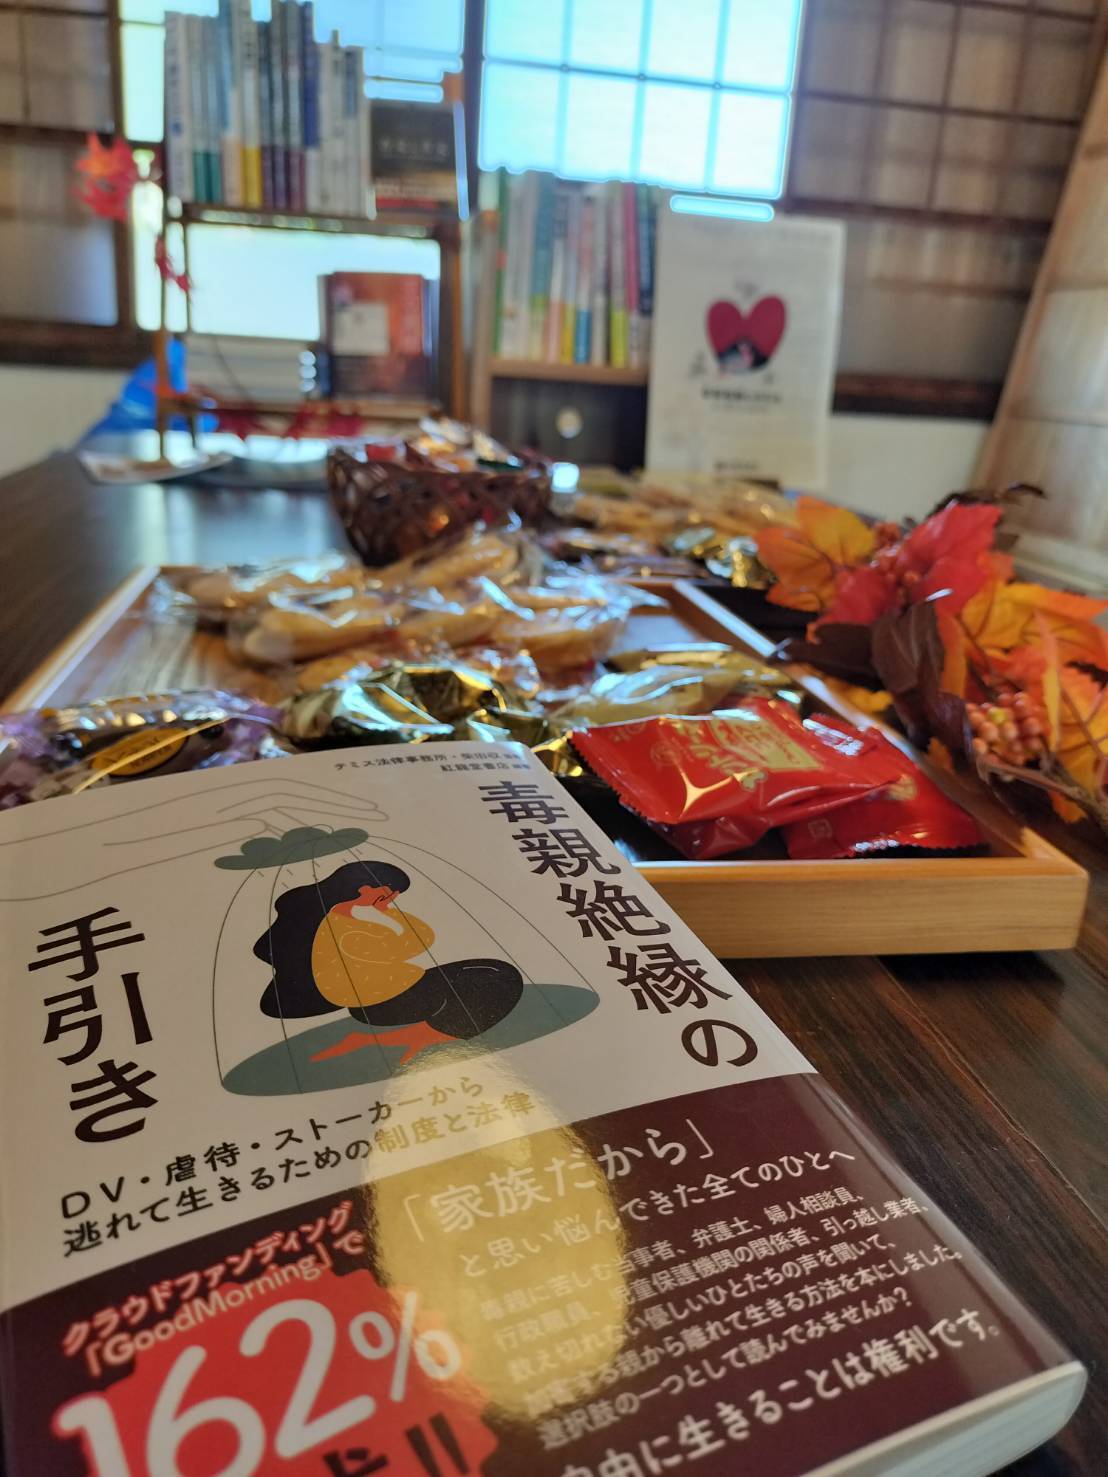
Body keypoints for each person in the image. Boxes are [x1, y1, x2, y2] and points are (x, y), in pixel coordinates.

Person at [253, 860, 523, 1064]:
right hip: (388, 1002)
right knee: (499, 976)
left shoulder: (340, 922)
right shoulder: (344, 929)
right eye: (390, 892)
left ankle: (423, 1033)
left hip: (387, 995)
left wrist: (386, 909)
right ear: (365, 889)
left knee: (486, 971)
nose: (393, 898)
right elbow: (419, 941)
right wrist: (390, 912)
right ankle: (416, 1036)